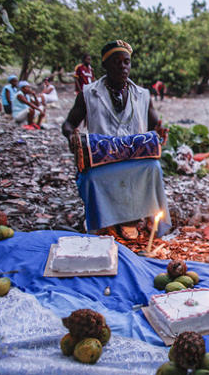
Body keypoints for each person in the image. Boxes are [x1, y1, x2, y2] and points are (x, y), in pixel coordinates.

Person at [62, 40, 170, 240]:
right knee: (91, 177)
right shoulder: (88, 93)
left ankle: (137, 218)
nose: (122, 66)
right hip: (102, 158)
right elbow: (68, 124)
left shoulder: (143, 95)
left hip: (134, 158)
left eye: (126, 62)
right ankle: (103, 222)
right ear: (105, 65)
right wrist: (71, 136)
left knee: (154, 167)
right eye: (116, 62)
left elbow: (155, 125)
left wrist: (161, 131)